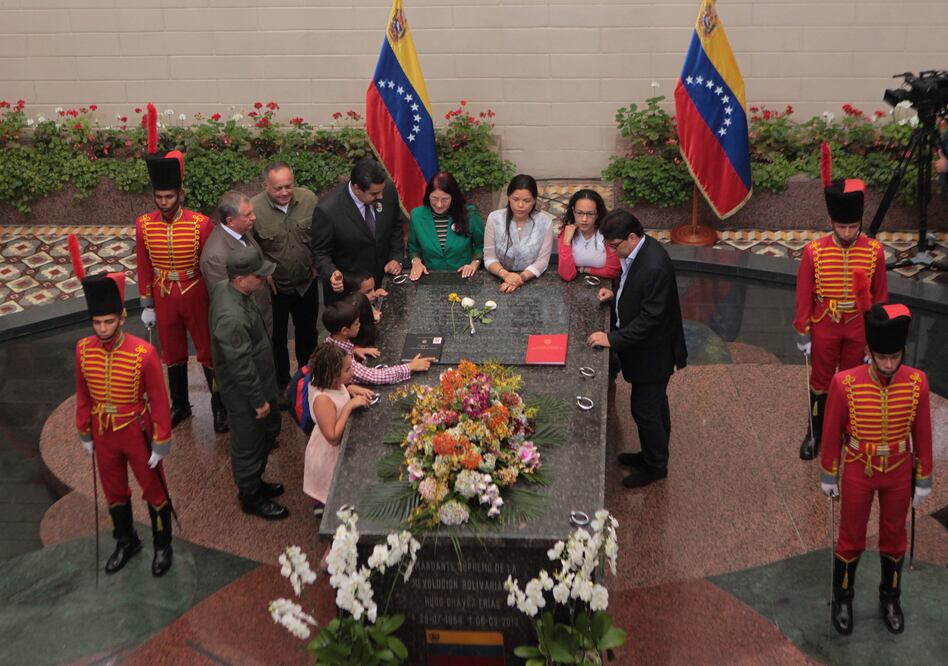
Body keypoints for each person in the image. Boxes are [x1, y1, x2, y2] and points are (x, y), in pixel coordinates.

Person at [819, 303, 932, 636]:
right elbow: (831, 432)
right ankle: (843, 598)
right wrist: (829, 473)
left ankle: (890, 599)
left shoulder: (917, 383)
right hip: (859, 468)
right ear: (869, 352)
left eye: (895, 357)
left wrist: (923, 477)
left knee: (895, 539)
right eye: (882, 357)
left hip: (898, 470)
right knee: (850, 537)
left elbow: (923, 433)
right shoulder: (844, 383)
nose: (889, 364)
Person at [73, 269, 175, 577]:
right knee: (113, 490)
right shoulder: (83, 350)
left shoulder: (144, 353)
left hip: (136, 429)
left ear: (121, 318)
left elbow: (159, 400)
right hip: (103, 432)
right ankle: (126, 540)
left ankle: (163, 545)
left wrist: (160, 441)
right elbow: (83, 394)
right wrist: (85, 431)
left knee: (154, 490)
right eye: (97, 323)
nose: (103, 329)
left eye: (108, 321)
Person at [794, 144, 887, 460]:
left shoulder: (874, 251)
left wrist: (876, 336)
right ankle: (815, 431)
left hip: (858, 325)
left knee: (852, 380)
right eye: (841, 226)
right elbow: (804, 293)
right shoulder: (814, 252)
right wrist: (803, 329)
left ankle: (847, 428)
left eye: (853, 227)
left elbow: (880, 296)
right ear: (831, 222)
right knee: (820, 381)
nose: (847, 233)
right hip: (825, 323)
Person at [587, 209, 687, 488]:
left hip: (654, 353)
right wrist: (616, 295)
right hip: (647, 350)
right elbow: (632, 285)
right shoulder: (638, 252)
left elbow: (650, 320)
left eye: (614, 245)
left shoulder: (654, 266)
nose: (612, 251)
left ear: (632, 237)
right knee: (655, 406)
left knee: (645, 410)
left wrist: (612, 339)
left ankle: (656, 466)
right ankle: (652, 454)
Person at [136, 119, 216, 430]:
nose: (164, 203)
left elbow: (210, 263)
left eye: (169, 197)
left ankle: (219, 406)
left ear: (180, 195)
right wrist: (147, 303)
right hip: (163, 294)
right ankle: (180, 404)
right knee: (172, 353)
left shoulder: (200, 223)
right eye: (159, 197)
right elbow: (143, 263)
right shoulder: (144, 224)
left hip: (195, 291)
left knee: (207, 351)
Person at [209, 246, 287, 520]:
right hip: (246, 394)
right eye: (258, 275)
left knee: (269, 430)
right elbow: (240, 366)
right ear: (241, 279)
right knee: (248, 443)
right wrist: (258, 401)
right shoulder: (231, 317)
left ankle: (255, 480)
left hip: (260, 381)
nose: (264, 279)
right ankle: (250, 495)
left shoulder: (228, 289)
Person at [201, 191, 272, 432]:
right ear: (230, 221)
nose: (254, 217)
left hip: (259, 317)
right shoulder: (216, 256)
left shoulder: (242, 232)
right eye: (248, 214)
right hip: (244, 332)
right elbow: (227, 300)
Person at [251, 162, 319, 392]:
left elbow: (321, 234)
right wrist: (263, 269)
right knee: (276, 337)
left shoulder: (309, 200)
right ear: (265, 185)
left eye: (288, 186)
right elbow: (248, 246)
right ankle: (281, 384)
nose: (284, 193)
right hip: (275, 288)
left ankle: (307, 378)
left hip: (306, 283)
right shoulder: (254, 209)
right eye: (278, 188)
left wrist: (317, 262)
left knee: (308, 333)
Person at [311, 156, 405, 303]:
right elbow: (320, 253)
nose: (381, 196)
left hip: (384, 282)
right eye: (374, 194)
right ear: (357, 188)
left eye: (381, 191)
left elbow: (396, 227)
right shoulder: (327, 210)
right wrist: (332, 273)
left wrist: (396, 257)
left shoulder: (388, 189)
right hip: (350, 293)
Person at [303, 343, 369, 516]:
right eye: (347, 370)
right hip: (327, 454)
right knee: (330, 488)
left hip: (336, 449)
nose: (352, 372)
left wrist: (350, 388)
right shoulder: (322, 400)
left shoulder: (334, 384)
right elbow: (332, 437)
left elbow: (339, 393)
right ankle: (326, 509)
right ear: (332, 375)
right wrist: (349, 406)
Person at [322, 301, 434, 385]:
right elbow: (374, 376)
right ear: (344, 330)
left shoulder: (331, 341)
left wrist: (355, 350)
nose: (360, 325)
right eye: (356, 324)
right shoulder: (339, 357)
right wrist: (410, 366)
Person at [407, 171, 484, 280]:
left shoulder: (470, 214)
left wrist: (474, 263)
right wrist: (416, 262)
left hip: (463, 277)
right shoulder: (417, 215)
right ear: (428, 195)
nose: (439, 204)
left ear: (453, 197)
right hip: (430, 277)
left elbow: (481, 245)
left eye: (445, 199)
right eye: (434, 198)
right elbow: (413, 247)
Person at [483, 174, 554, 293]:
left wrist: (519, 278)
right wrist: (505, 275)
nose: (520, 205)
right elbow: (489, 257)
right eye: (515, 199)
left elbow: (542, 261)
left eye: (526, 201)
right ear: (508, 197)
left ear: (534, 200)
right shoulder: (494, 218)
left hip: (530, 281)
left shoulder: (545, 222)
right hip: (498, 277)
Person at [556, 189, 621, 282]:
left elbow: (613, 272)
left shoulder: (607, 233)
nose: (584, 219)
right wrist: (566, 242)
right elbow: (566, 275)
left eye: (590, 214)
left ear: (597, 213)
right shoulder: (567, 233)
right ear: (573, 211)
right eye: (579, 213)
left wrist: (585, 270)